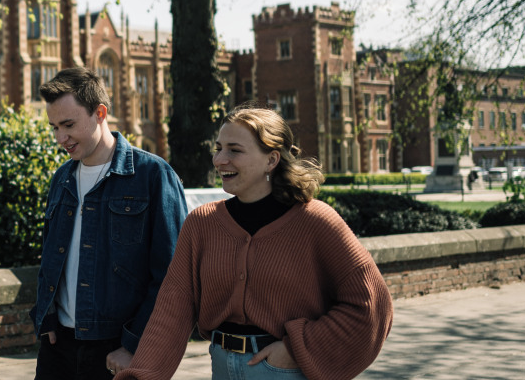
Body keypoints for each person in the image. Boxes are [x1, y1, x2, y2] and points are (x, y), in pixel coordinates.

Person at [114, 107, 394, 380]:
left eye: (234, 150)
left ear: (271, 160)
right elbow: (172, 310)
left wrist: (297, 349)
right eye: (218, 148)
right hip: (221, 367)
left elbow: (372, 305)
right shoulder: (201, 224)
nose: (220, 159)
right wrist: (140, 375)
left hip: (285, 371)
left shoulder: (315, 221)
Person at [32, 67, 188, 380]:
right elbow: (51, 260)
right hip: (56, 350)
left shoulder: (152, 176)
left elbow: (175, 276)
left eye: (68, 125)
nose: (59, 138)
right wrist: (45, 317)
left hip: (116, 353)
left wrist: (134, 344)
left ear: (100, 113)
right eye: (53, 127)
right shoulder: (61, 179)